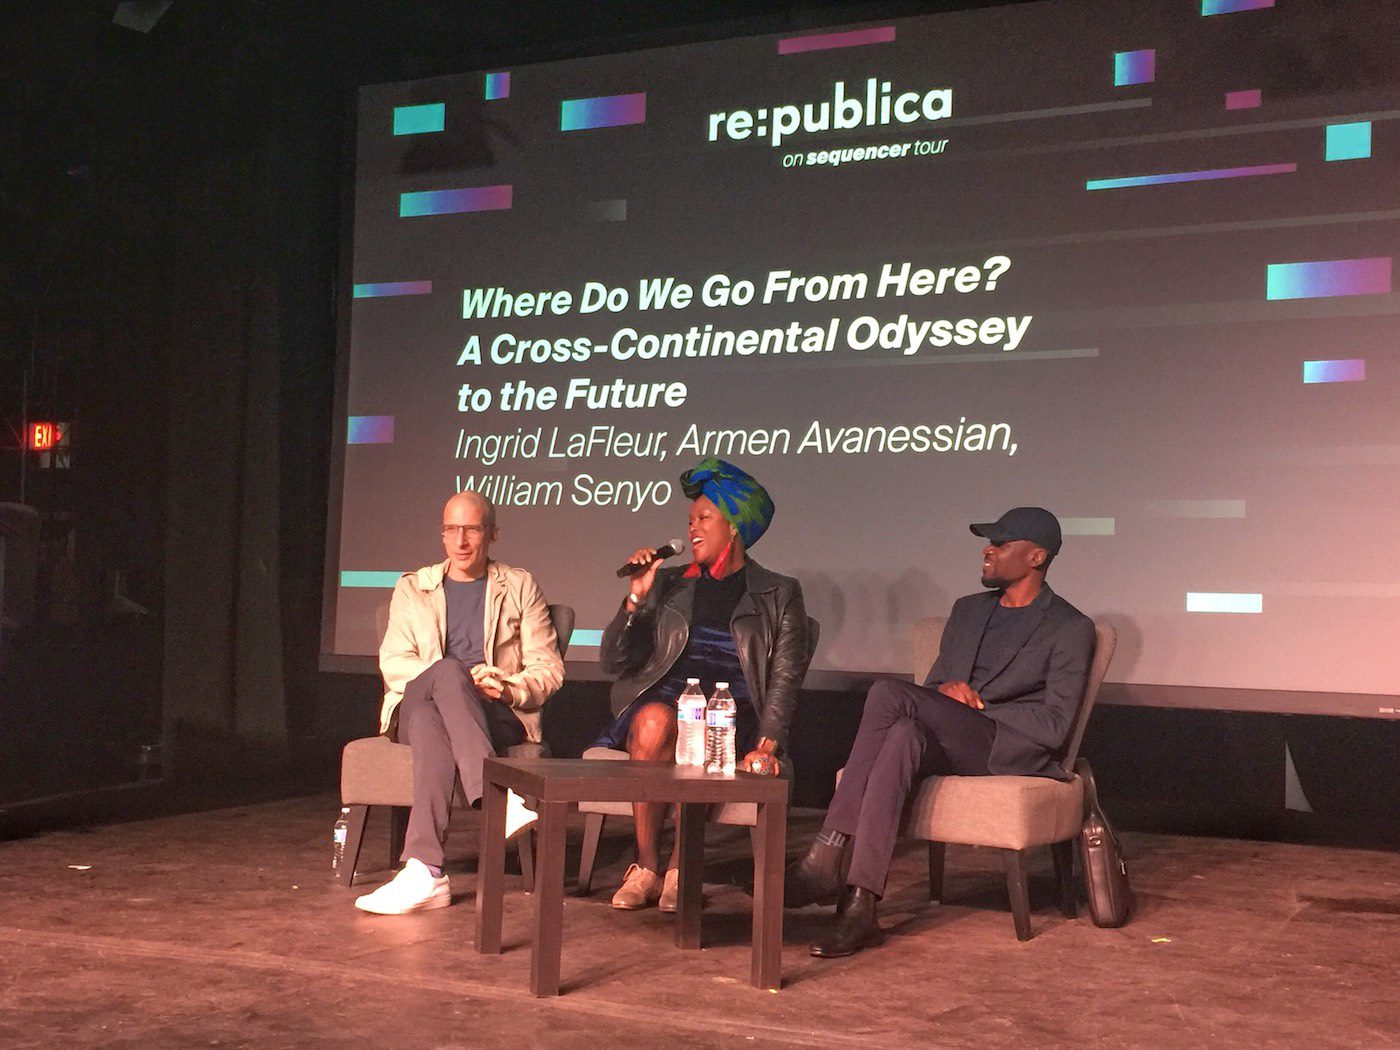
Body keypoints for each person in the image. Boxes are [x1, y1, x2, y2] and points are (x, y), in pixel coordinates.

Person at [786, 506, 1095, 957]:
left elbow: (1054, 725)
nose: (987, 551)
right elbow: (931, 692)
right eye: (988, 543)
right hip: (952, 737)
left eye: (1001, 544)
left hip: (1003, 747)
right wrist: (947, 689)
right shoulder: (968, 611)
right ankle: (860, 905)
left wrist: (982, 706)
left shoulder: (1070, 627)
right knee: (902, 735)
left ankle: (828, 848)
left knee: (889, 696)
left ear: (1036, 557)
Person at [597, 458, 809, 912]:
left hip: (736, 716)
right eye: (689, 520)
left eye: (704, 518)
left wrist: (768, 746)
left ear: (733, 526)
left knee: (709, 726)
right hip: (669, 705)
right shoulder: (669, 584)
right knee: (654, 720)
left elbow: (785, 679)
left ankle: (681, 866)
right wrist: (636, 597)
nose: (692, 528)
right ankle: (647, 865)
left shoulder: (778, 591)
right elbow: (613, 659)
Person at [354, 490, 564, 915]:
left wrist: (506, 688)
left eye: (471, 529)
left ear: (492, 533)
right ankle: (496, 799)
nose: (461, 540)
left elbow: (549, 670)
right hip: (413, 703)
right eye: (452, 529)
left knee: (436, 722)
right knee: (447, 675)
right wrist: (450, 677)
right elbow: (394, 663)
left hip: (493, 710)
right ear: (443, 535)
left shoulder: (519, 586)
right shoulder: (414, 587)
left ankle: (424, 871)